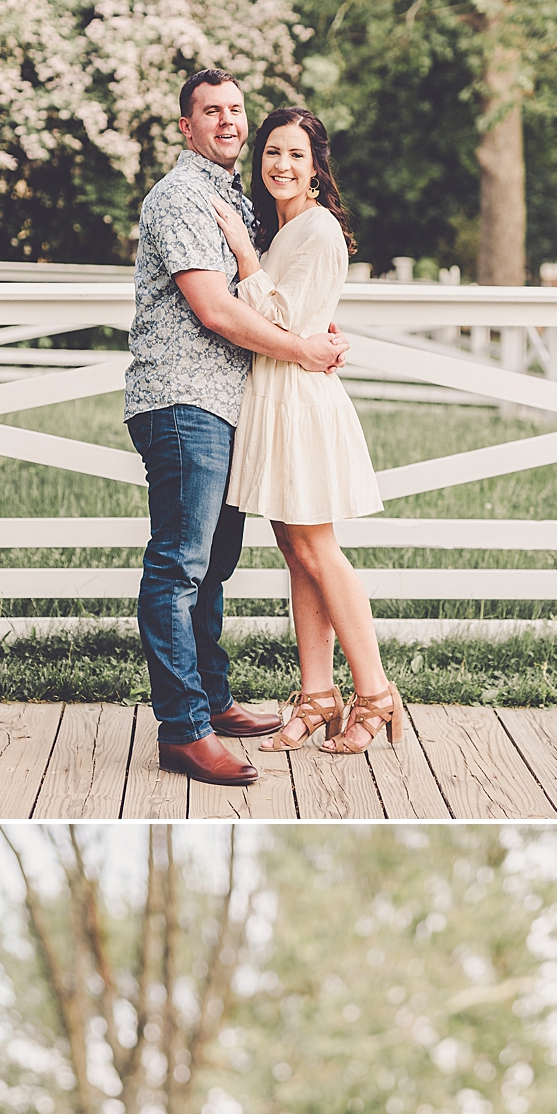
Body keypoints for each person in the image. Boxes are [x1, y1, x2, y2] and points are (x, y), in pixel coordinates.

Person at [127, 71, 353, 790]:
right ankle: (183, 729)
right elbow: (217, 312)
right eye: (210, 112)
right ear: (186, 127)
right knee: (179, 566)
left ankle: (215, 700)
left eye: (234, 110)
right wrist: (305, 349)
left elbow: (276, 295)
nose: (226, 121)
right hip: (182, 401)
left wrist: (310, 326)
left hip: (229, 406)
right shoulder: (182, 197)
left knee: (214, 566)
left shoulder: (239, 202)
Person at [210, 108, 402, 757]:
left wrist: (241, 253)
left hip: (300, 398)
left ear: (317, 165)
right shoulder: (282, 228)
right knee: (296, 551)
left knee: (319, 549)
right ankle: (318, 693)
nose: (280, 165)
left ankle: (373, 691)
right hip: (273, 396)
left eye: (295, 154)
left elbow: (287, 323)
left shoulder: (316, 230)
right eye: (271, 152)